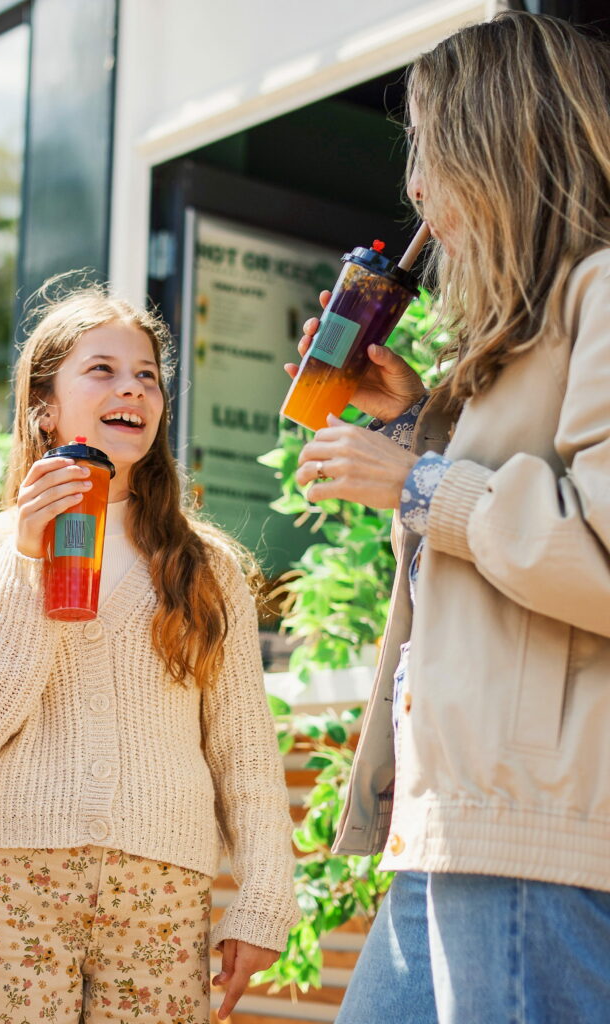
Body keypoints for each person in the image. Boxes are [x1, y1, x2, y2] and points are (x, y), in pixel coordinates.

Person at [284, 12, 610, 1023]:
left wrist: (418, 486)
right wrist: (418, 427)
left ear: (496, 144)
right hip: (460, 820)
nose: (415, 185)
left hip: (533, 827)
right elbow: (498, 545)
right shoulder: (516, 334)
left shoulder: (601, 291)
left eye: (428, 145)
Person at [0, 284, 300, 1023]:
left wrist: (263, 902)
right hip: (20, 879)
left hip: (162, 886)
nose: (131, 386)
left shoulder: (206, 565)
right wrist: (27, 558)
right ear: (44, 406)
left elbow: (244, 748)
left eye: (147, 376)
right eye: (101, 370)